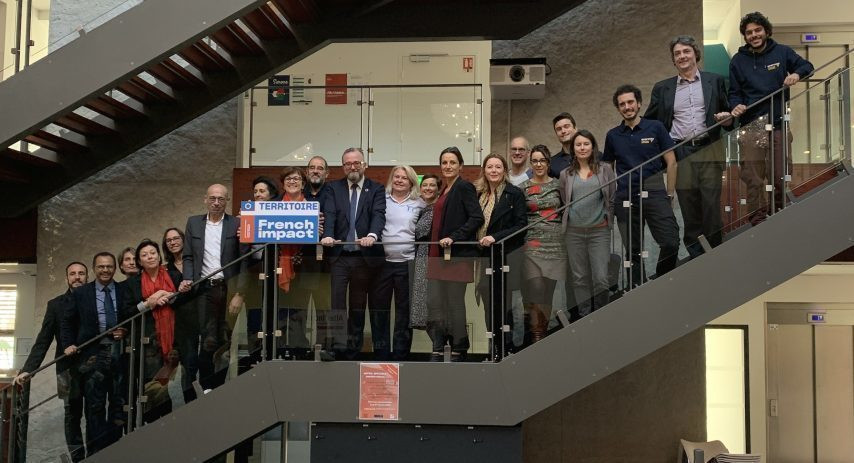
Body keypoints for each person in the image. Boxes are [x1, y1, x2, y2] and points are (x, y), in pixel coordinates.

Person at [644, 35, 733, 257]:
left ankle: (714, 254)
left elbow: (730, 115)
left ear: (695, 54)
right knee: (689, 207)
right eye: (677, 53)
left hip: (709, 148)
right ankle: (696, 257)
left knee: (711, 206)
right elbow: (650, 122)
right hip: (680, 152)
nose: (682, 56)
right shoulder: (662, 88)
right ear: (673, 60)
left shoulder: (715, 80)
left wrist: (728, 118)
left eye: (686, 51)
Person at [729, 11, 814, 225]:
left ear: (766, 31)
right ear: (745, 36)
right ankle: (758, 220)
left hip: (778, 124)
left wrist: (796, 74)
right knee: (753, 179)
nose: (754, 35)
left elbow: (807, 67)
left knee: (779, 175)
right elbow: (734, 92)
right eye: (749, 32)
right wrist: (735, 105)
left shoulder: (783, 52)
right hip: (751, 126)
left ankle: (779, 215)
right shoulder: (738, 61)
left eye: (758, 30)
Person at [603, 85, 680, 289]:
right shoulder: (613, 135)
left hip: (655, 192)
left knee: (671, 242)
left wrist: (670, 194)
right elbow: (608, 169)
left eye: (630, 102)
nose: (627, 107)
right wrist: (611, 199)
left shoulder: (655, 127)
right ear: (618, 109)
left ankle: (661, 283)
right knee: (633, 251)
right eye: (622, 104)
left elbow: (672, 162)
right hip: (625, 196)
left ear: (638, 103)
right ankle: (637, 288)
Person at [14, 262, 88, 461]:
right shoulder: (55, 305)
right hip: (66, 368)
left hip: (93, 365)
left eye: (81, 273)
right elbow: (43, 340)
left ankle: (97, 456)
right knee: (71, 416)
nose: (77, 277)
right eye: (73, 274)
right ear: (67, 278)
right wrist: (28, 370)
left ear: (87, 277)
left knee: (94, 413)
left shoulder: (94, 300)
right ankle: (78, 459)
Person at [60, 252, 130, 457]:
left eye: (109, 266)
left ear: (115, 268)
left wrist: (125, 330)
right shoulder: (82, 293)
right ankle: (96, 455)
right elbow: (66, 321)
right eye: (101, 267)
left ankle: (114, 453)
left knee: (118, 405)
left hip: (119, 353)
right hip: (92, 356)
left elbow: (131, 316)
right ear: (94, 269)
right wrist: (68, 344)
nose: (105, 270)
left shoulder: (124, 290)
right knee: (95, 407)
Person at [320, 148, 386, 359]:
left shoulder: (375, 188)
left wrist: (373, 235)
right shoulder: (333, 188)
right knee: (337, 304)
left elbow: (378, 214)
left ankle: (353, 351)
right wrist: (327, 236)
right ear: (343, 167)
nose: (353, 167)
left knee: (358, 306)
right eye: (348, 163)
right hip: (339, 255)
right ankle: (337, 348)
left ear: (364, 165)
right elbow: (329, 214)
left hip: (363, 257)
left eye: (357, 162)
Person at [178, 184, 243, 390]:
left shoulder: (236, 223)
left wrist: (239, 293)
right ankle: (208, 389)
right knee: (207, 340)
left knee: (226, 340)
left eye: (221, 199)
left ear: (226, 201)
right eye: (213, 198)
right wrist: (188, 278)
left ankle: (219, 388)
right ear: (205, 199)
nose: (216, 203)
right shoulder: (194, 223)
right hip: (204, 289)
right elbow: (188, 256)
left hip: (228, 288)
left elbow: (243, 259)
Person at [426, 147, 484, 361]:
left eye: (452, 162)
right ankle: (439, 346)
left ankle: (459, 347)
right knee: (435, 303)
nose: (448, 166)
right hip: (436, 256)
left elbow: (476, 217)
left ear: (461, 165)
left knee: (454, 303)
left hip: (455, 255)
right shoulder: (444, 189)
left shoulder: (464, 187)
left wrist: (454, 236)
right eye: (444, 162)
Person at [122, 239, 189, 422]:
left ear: (159, 256)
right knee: (150, 389)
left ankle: (168, 427)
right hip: (148, 344)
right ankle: (150, 427)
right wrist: (148, 303)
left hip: (176, 339)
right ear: (139, 262)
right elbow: (125, 314)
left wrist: (169, 296)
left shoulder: (174, 275)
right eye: (144, 255)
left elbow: (186, 301)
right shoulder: (132, 284)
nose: (149, 257)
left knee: (173, 389)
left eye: (153, 253)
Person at [475, 153, 527, 357]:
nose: (494, 171)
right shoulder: (479, 194)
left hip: (506, 256)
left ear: (504, 170)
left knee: (504, 303)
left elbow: (521, 225)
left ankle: (507, 347)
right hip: (483, 257)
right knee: (489, 305)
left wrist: (495, 237)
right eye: (490, 167)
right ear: (484, 170)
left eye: (498, 167)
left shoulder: (514, 193)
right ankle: (493, 347)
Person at [560, 131, 616, 318]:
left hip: (599, 232)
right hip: (573, 233)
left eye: (586, 144)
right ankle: (585, 317)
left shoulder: (605, 169)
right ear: (573, 149)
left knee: (600, 278)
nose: (582, 148)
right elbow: (564, 200)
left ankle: (601, 316)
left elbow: (612, 197)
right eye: (578, 145)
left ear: (593, 147)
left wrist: (608, 221)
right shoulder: (565, 174)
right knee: (579, 278)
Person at [371, 165, 424, 360]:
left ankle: (401, 355)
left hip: (407, 263)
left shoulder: (419, 203)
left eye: (404, 178)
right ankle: (381, 353)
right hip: (382, 264)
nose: (400, 180)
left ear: (411, 182)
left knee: (404, 312)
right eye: (396, 177)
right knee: (379, 310)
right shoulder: (381, 200)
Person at [520, 145, 566, 343]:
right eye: (535, 161)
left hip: (556, 245)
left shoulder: (559, 185)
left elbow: (565, 211)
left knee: (548, 292)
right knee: (536, 288)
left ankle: (542, 332)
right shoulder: (523, 187)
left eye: (542, 160)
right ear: (531, 164)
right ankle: (537, 335)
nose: (538, 164)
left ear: (548, 163)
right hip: (532, 244)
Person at [276, 167, 313, 357]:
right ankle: (281, 351)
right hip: (278, 266)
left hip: (305, 267)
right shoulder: (273, 205)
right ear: (283, 183)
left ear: (303, 183)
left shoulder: (313, 205)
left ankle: (300, 350)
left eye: (297, 178)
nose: (292, 181)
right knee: (280, 312)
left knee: (300, 312)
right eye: (288, 178)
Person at [301, 156, 332, 353]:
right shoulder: (295, 195)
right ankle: (300, 348)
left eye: (320, 168)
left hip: (328, 259)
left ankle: (324, 347)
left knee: (325, 307)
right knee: (300, 307)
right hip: (300, 259)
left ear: (326, 173)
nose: (315, 171)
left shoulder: (335, 193)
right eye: (312, 167)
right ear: (306, 172)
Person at [411, 174, 442, 331]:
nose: (428, 188)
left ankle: (440, 346)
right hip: (421, 258)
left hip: (433, 258)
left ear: (438, 189)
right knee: (424, 302)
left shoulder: (439, 208)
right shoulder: (420, 208)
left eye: (432, 185)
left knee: (433, 302)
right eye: (425, 185)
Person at [549, 112, 578, 178]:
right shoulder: (551, 164)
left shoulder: (594, 155)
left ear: (575, 129)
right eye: (559, 129)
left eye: (566, 126)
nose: (563, 131)